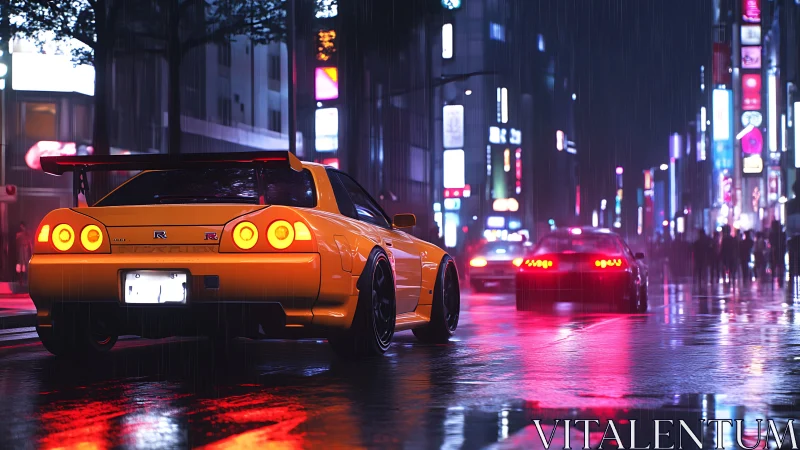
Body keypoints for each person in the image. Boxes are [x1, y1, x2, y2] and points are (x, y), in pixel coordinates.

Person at [770, 220, 787, 288]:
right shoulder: (782, 234)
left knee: (776, 265)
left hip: (775, 251)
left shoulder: (773, 234)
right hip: (779, 251)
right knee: (780, 265)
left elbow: (771, 243)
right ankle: (780, 278)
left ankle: (775, 277)